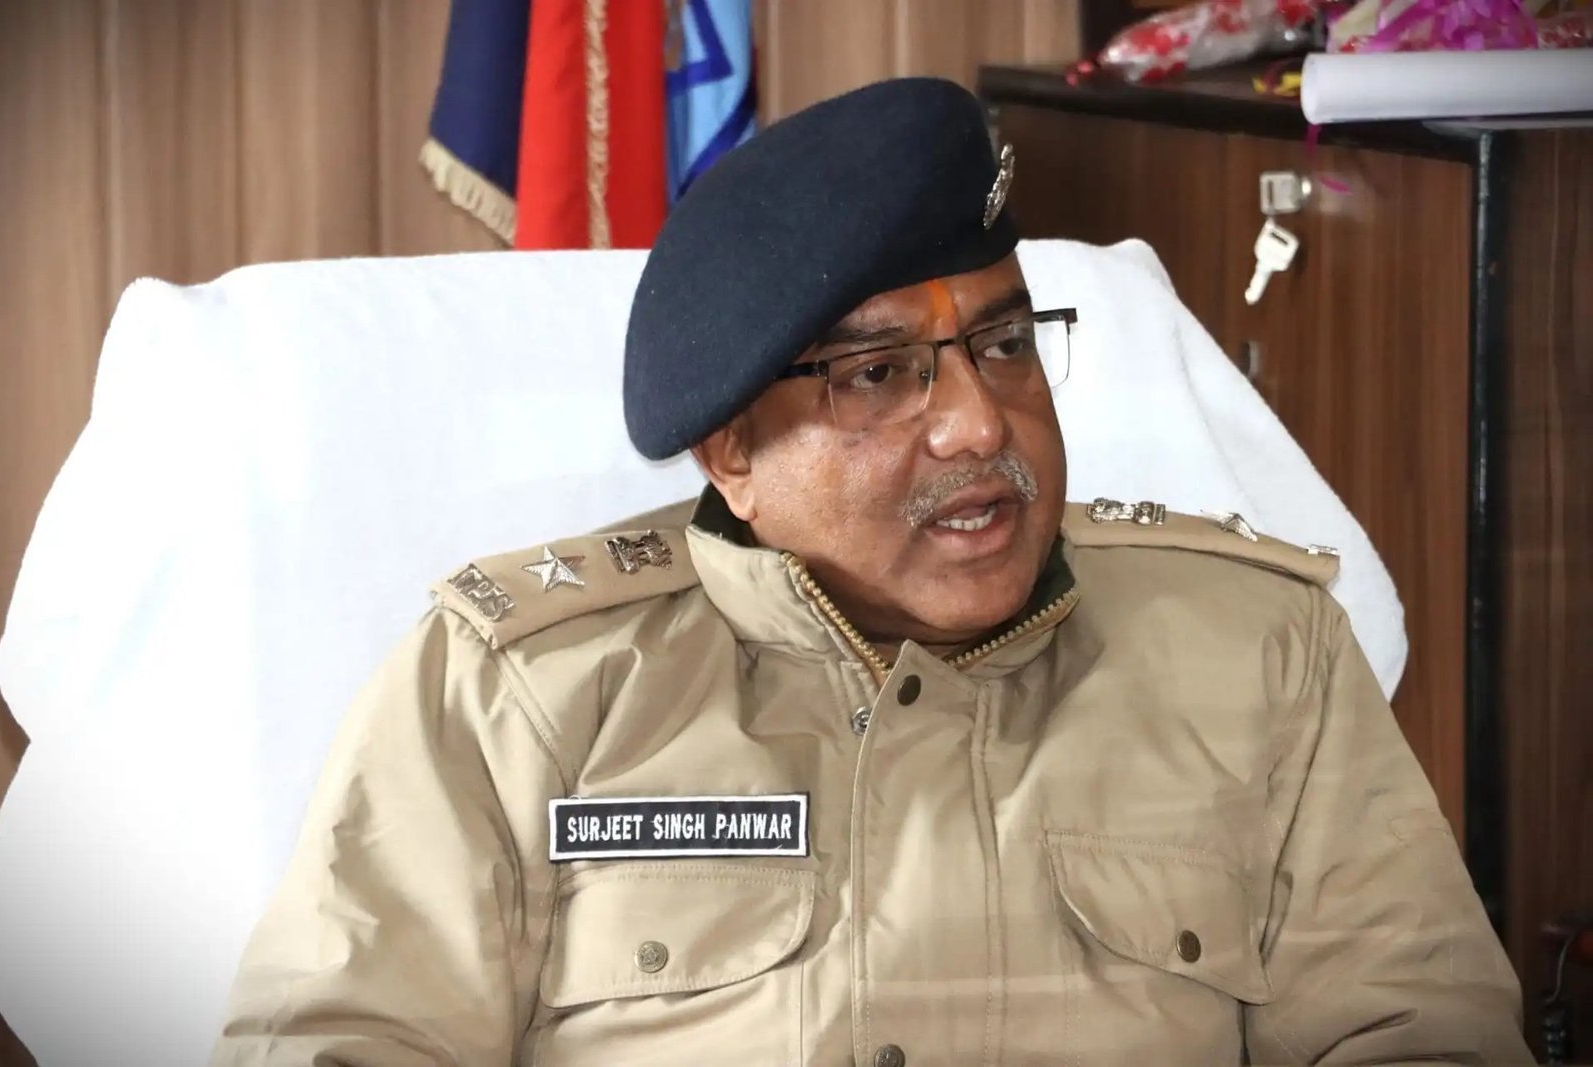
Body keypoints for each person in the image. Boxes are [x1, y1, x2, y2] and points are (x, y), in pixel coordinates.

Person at [212, 77, 1529, 1066]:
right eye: (879, 374)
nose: (978, 426)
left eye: (1004, 346)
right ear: (732, 449)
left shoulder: (1259, 652)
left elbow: (1418, 1032)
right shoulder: (521, 693)